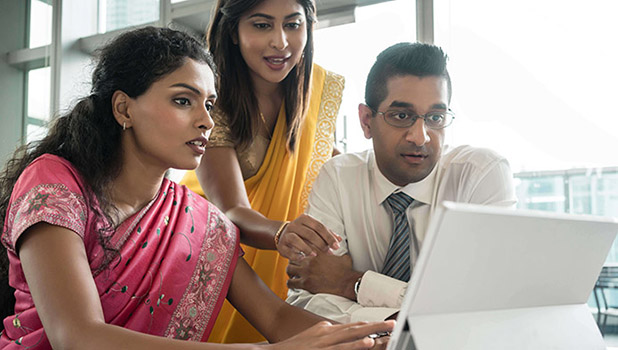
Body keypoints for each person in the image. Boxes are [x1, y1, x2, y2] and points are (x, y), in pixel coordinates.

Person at [0, 26, 394, 349]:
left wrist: (367, 336)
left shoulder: (202, 222)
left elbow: (275, 316)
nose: (206, 120)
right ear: (123, 108)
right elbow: (78, 337)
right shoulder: (55, 183)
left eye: (209, 103)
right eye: (183, 101)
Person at [285, 42, 517, 323]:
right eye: (402, 116)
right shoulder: (338, 178)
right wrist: (419, 317)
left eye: (435, 117)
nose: (420, 137)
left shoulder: (479, 175)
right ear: (366, 121)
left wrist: (352, 284)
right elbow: (306, 298)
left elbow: (489, 303)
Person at [179, 0, 345, 343]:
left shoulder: (315, 93)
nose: (280, 42)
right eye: (261, 25)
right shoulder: (212, 99)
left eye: (293, 25)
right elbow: (230, 211)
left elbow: (329, 174)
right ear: (234, 31)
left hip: (289, 278)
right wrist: (283, 232)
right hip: (207, 263)